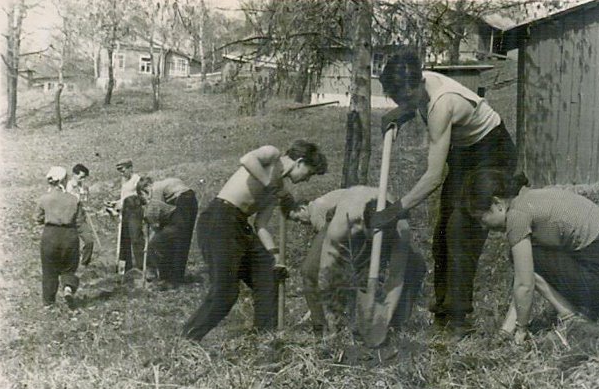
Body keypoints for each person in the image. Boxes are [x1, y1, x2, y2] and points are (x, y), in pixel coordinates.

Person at [368, 50, 517, 336]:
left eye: (405, 98)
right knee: (441, 237)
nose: (403, 104)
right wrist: (402, 113)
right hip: (463, 154)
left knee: (461, 230)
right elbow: (415, 104)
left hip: (491, 152)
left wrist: (397, 209)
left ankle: (460, 320)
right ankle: (443, 314)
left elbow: (434, 176)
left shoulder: (441, 104)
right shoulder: (420, 88)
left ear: (416, 85)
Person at [465, 169, 599, 345]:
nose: (483, 227)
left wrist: (521, 329)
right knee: (526, 262)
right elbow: (523, 279)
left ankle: (570, 317)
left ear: (497, 204)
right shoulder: (527, 199)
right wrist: (506, 330)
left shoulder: (517, 215)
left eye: (482, 218)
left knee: (521, 258)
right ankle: (573, 314)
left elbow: (525, 284)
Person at [182, 140, 327, 342]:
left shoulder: (278, 188)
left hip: (240, 226)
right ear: (300, 162)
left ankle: (263, 341)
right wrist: (270, 183)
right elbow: (247, 159)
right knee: (226, 291)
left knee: (268, 275)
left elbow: (261, 225)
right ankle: (187, 340)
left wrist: (275, 257)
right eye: (309, 173)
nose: (307, 180)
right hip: (219, 219)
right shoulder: (272, 155)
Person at [288, 186, 426, 334]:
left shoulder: (400, 227)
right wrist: (329, 311)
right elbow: (325, 269)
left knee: (415, 266)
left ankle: (393, 326)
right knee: (311, 269)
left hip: (385, 219)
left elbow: (396, 276)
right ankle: (324, 329)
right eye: (372, 236)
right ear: (363, 225)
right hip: (344, 212)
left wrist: (384, 319)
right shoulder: (341, 224)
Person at [35, 166, 94, 309]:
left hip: (50, 236)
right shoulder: (74, 200)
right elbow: (80, 223)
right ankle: (68, 287)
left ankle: (49, 304)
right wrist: (88, 242)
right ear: (64, 180)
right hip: (69, 237)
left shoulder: (44, 199)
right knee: (69, 267)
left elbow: (37, 218)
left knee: (49, 270)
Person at [136, 176, 199, 288]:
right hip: (191, 201)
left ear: (146, 188)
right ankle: (177, 277)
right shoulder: (164, 183)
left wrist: (151, 237)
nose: (146, 199)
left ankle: (167, 279)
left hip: (183, 202)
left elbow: (155, 215)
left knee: (160, 242)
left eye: (144, 196)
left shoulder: (155, 189)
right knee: (182, 241)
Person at [106, 159, 145, 272]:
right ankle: (124, 269)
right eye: (120, 171)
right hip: (125, 212)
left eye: (123, 170)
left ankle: (142, 267)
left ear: (130, 168)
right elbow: (124, 197)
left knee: (136, 238)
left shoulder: (137, 180)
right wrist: (116, 203)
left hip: (135, 212)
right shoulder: (124, 180)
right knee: (124, 240)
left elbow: (139, 197)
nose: (122, 174)